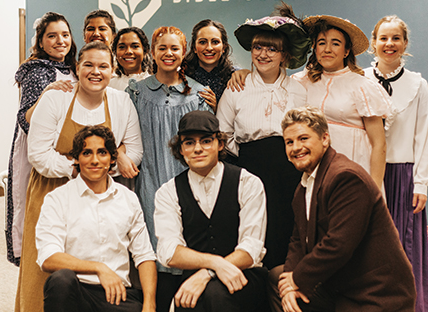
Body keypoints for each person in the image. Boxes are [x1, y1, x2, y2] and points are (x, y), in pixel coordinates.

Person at [14, 41, 143, 312]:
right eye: (88, 65)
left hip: (101, 192)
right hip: (52, 189)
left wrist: (105, 167)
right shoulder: (55, 98)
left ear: (112, 70)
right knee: (49, 268)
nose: (95, 72)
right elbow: (38, 154)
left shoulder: (121, 101)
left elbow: (134, 153)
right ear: (77, 68)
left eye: (103, 66)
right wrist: (81, 169)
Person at [215, 5, 310, 311]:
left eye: (273, 48)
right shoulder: (237, 87)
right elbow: (223, 134)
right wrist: (248, 158)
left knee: (288, 235)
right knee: (253, 234)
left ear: (285, 55)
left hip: (291, 171)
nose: (264, 54)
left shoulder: (299, 89)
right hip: (250, 169)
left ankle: (287, 297)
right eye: (258, 47)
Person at [278, 106, 416, 312]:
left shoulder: (346, 178)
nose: (296, 147)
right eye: (289, 142)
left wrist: (297, 279)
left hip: (375, 293)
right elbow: (298, 241)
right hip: (339, 285)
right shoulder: (304, 186)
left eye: (303, 138)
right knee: (276, 280)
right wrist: (289, 283)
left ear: (325, 139)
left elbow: (338, 244)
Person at [126, 26, 211, 312]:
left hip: (186, 182)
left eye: (174, 48)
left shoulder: (199, 94)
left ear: (183, 52)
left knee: (186, 244)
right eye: (162, 48)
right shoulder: (136, 92)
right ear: (153, 51)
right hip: (148, 181)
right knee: (151, 246)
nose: (168, 53)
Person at [154, 111, 268, 312]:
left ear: (220, 144)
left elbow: (252, 248)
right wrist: (214, 264)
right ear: (181, 150)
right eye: (189, 143)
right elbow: (169, 252)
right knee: (190, 302)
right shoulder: (168, 191)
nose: (198, 149)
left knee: (216, 295)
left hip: (243, 277)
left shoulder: (247, 182)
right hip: (193, 285)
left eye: (206, 141)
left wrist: (207, 273)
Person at [36, 125, 156, 312]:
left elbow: (144, 256)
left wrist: (150, 304)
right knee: (60, 281)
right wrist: (98, 268)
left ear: (111, 158)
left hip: (117, 294)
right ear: (76, 158)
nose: (95, 160)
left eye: (102, 152)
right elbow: (48, 258)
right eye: (86, 153)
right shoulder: (57, 198)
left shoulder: (128, 198)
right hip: (75, 291)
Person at [364, 15, 428, 312]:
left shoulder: (418, 84)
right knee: (368, 246)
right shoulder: (359, 79)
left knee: (404, 248)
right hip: (366, 174)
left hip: (403, 176)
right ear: (373, 43)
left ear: (405, 44)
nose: (389, 44)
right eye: (383, 38)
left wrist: (421, 183)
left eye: (396, 38)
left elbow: (424, 135)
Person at [6, 11, 77, 266]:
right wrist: (46, 94)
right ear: (41, 41)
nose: (60, 41)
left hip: (66, 148)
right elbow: (25, 119)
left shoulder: (74, 68)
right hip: (39, 150)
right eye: (52, 36)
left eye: (65, 35)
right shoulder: (37, 72)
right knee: (36, 213)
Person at [291, 15, 393, 189]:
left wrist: (374, 190)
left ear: (346, 51)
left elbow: (379, 144)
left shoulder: (362, 86)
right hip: (315, 174)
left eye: (336, 43)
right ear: (314, 48)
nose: (327, 49)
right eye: (322, 42)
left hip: (354, 173)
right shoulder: (301, 82)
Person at [185, 19, 236, 111]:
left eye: (215, 42)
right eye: (202, 42)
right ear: (194, 47)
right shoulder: (181, 76)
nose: (209, 48)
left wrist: (217, 110)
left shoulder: (235, 77)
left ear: (224, 47)